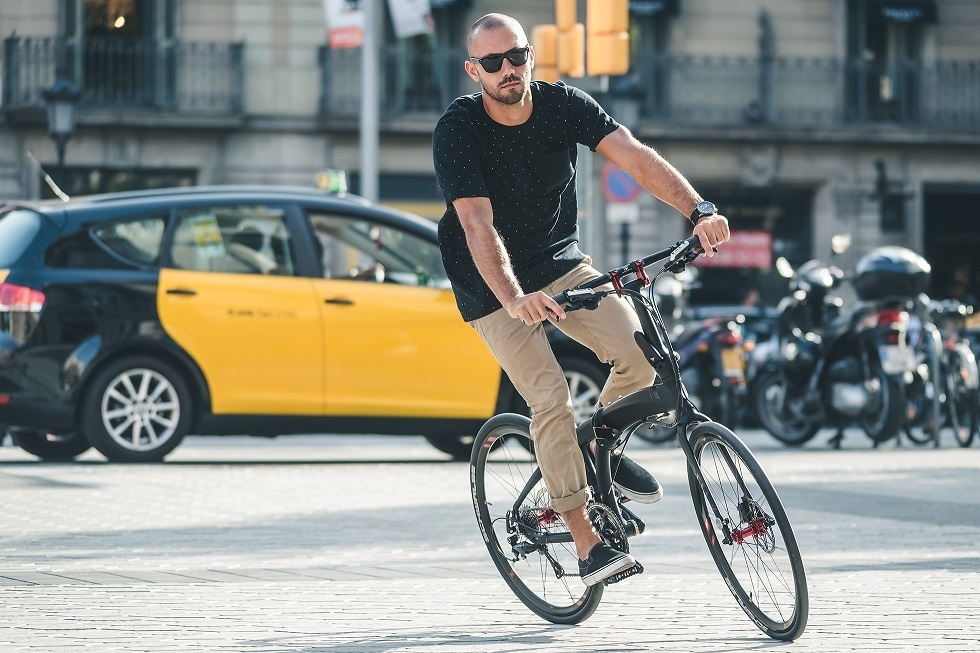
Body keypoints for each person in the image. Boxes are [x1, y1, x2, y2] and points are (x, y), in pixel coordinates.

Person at [433, 13, 730, 586]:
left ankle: (597, 453)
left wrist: (699, 209)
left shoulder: (564, 105)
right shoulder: (459, 128)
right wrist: (516, 296)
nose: (508, 70)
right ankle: (587, 542)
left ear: (531, 57)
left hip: (560, 263)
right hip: (491, 285)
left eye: (516, 56)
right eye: (492, 63)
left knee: (642, 357)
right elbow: (475, 222)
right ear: (475, 71)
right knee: (550, 398)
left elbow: (635, 156)